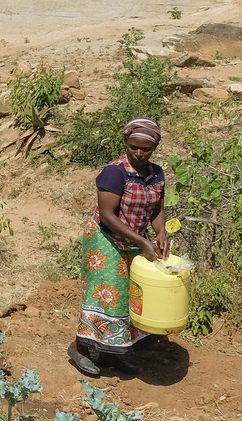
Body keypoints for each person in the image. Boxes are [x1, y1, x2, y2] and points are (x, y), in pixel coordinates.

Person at [69, 117, 171, 378]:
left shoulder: (156, 174)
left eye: (145, 149)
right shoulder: (115, 172)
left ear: (154, 148)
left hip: (134, 238)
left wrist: (161, 233)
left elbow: (157, 208)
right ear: (126, 143)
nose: (138, 153)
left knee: (130, 296)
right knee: (105, 294)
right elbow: (107, 215)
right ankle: (80, 348)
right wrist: (142, 241)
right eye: (133, 147)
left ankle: (113, 354)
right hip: (106, 238)